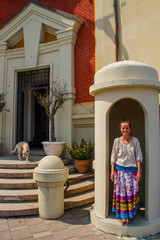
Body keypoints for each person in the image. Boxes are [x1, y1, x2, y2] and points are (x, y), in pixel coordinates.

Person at [110, 120, 142, 224]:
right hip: (120, 172)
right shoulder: (117, 141)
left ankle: (131, 215)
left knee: (131, 194)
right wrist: (112, 172)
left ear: (130, 129)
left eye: (127, 128)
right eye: (123, 128)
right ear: (120, 129)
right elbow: (113, 157)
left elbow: (138, 157)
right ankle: (123, 215)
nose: (125, 130)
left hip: (132, 172)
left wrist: (139, 172)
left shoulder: (135, 141)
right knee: (122, 194)